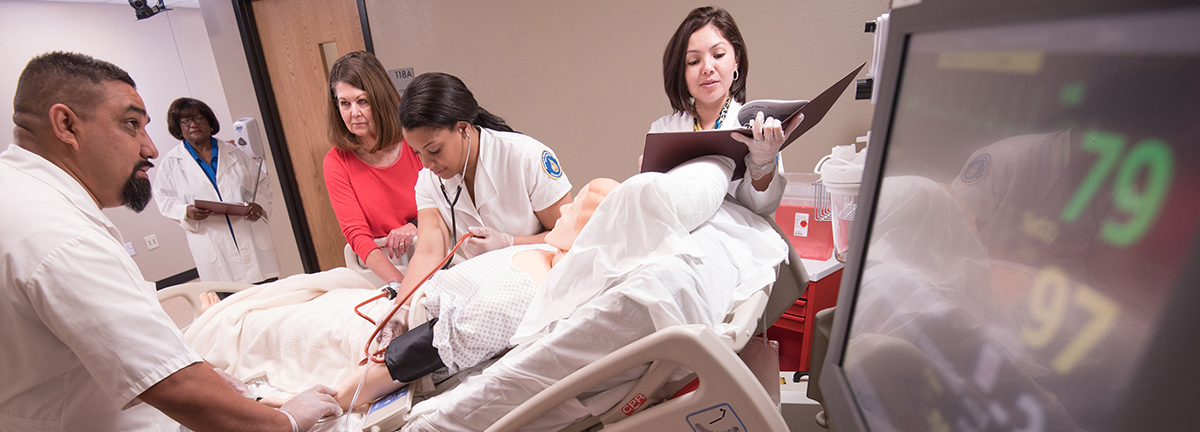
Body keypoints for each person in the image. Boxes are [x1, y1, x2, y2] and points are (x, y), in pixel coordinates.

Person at [0, 51, 341, 431]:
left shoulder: (18, 194)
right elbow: (173, 385)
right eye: (131, 125)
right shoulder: (58, 232)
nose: (150, 149)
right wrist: (287, 419)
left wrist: (200, 371)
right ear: (65, 124)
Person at [402, 155, 789, 431]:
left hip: (427, 332)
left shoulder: (560, 274)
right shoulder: (565, 262)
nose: (567, 211)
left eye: (433, 150)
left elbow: (458, 353)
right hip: (427, 311)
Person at [395, 72, 572, 303]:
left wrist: (509, 243)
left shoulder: (526, 157)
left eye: (435, 150)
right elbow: (428, 253)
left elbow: (571, 238)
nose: (427, 164)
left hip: (544, 288)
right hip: (490, 296)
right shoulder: (429, 181)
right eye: (418, 153)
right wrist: (400, 310)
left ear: (463, 128)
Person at [649, 6, 797, 215]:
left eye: (718, 55)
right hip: (680, 234)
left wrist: (763, 164)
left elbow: (762, 206)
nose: (707, 68)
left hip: (735, 236)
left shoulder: (757, 126)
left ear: (736, 60)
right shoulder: (663, 129)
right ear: (681, 72)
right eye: (694, 61)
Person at [323, 51, 424, 284]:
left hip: (433, 256)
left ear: (379, 99)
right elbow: (357, 236)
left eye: (362, 101)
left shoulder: (413, 142)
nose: (353, 113)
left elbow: (446, 202)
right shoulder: (337, 162)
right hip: (382, 276)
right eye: (344, 104)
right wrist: (403, 288)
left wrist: (415, 225)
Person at [153, 97, 279, 284]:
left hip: (251, 239)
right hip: (213, 246)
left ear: (209, 122)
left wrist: (259, 205)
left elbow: (261, 182)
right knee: (230, 304)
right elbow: (163, 197)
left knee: (270, 299)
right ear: (178, 127)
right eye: (186, 121)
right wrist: (185, 211)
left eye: (199, 118)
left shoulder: (235, 153)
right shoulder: (171, 163)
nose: (193, 124)